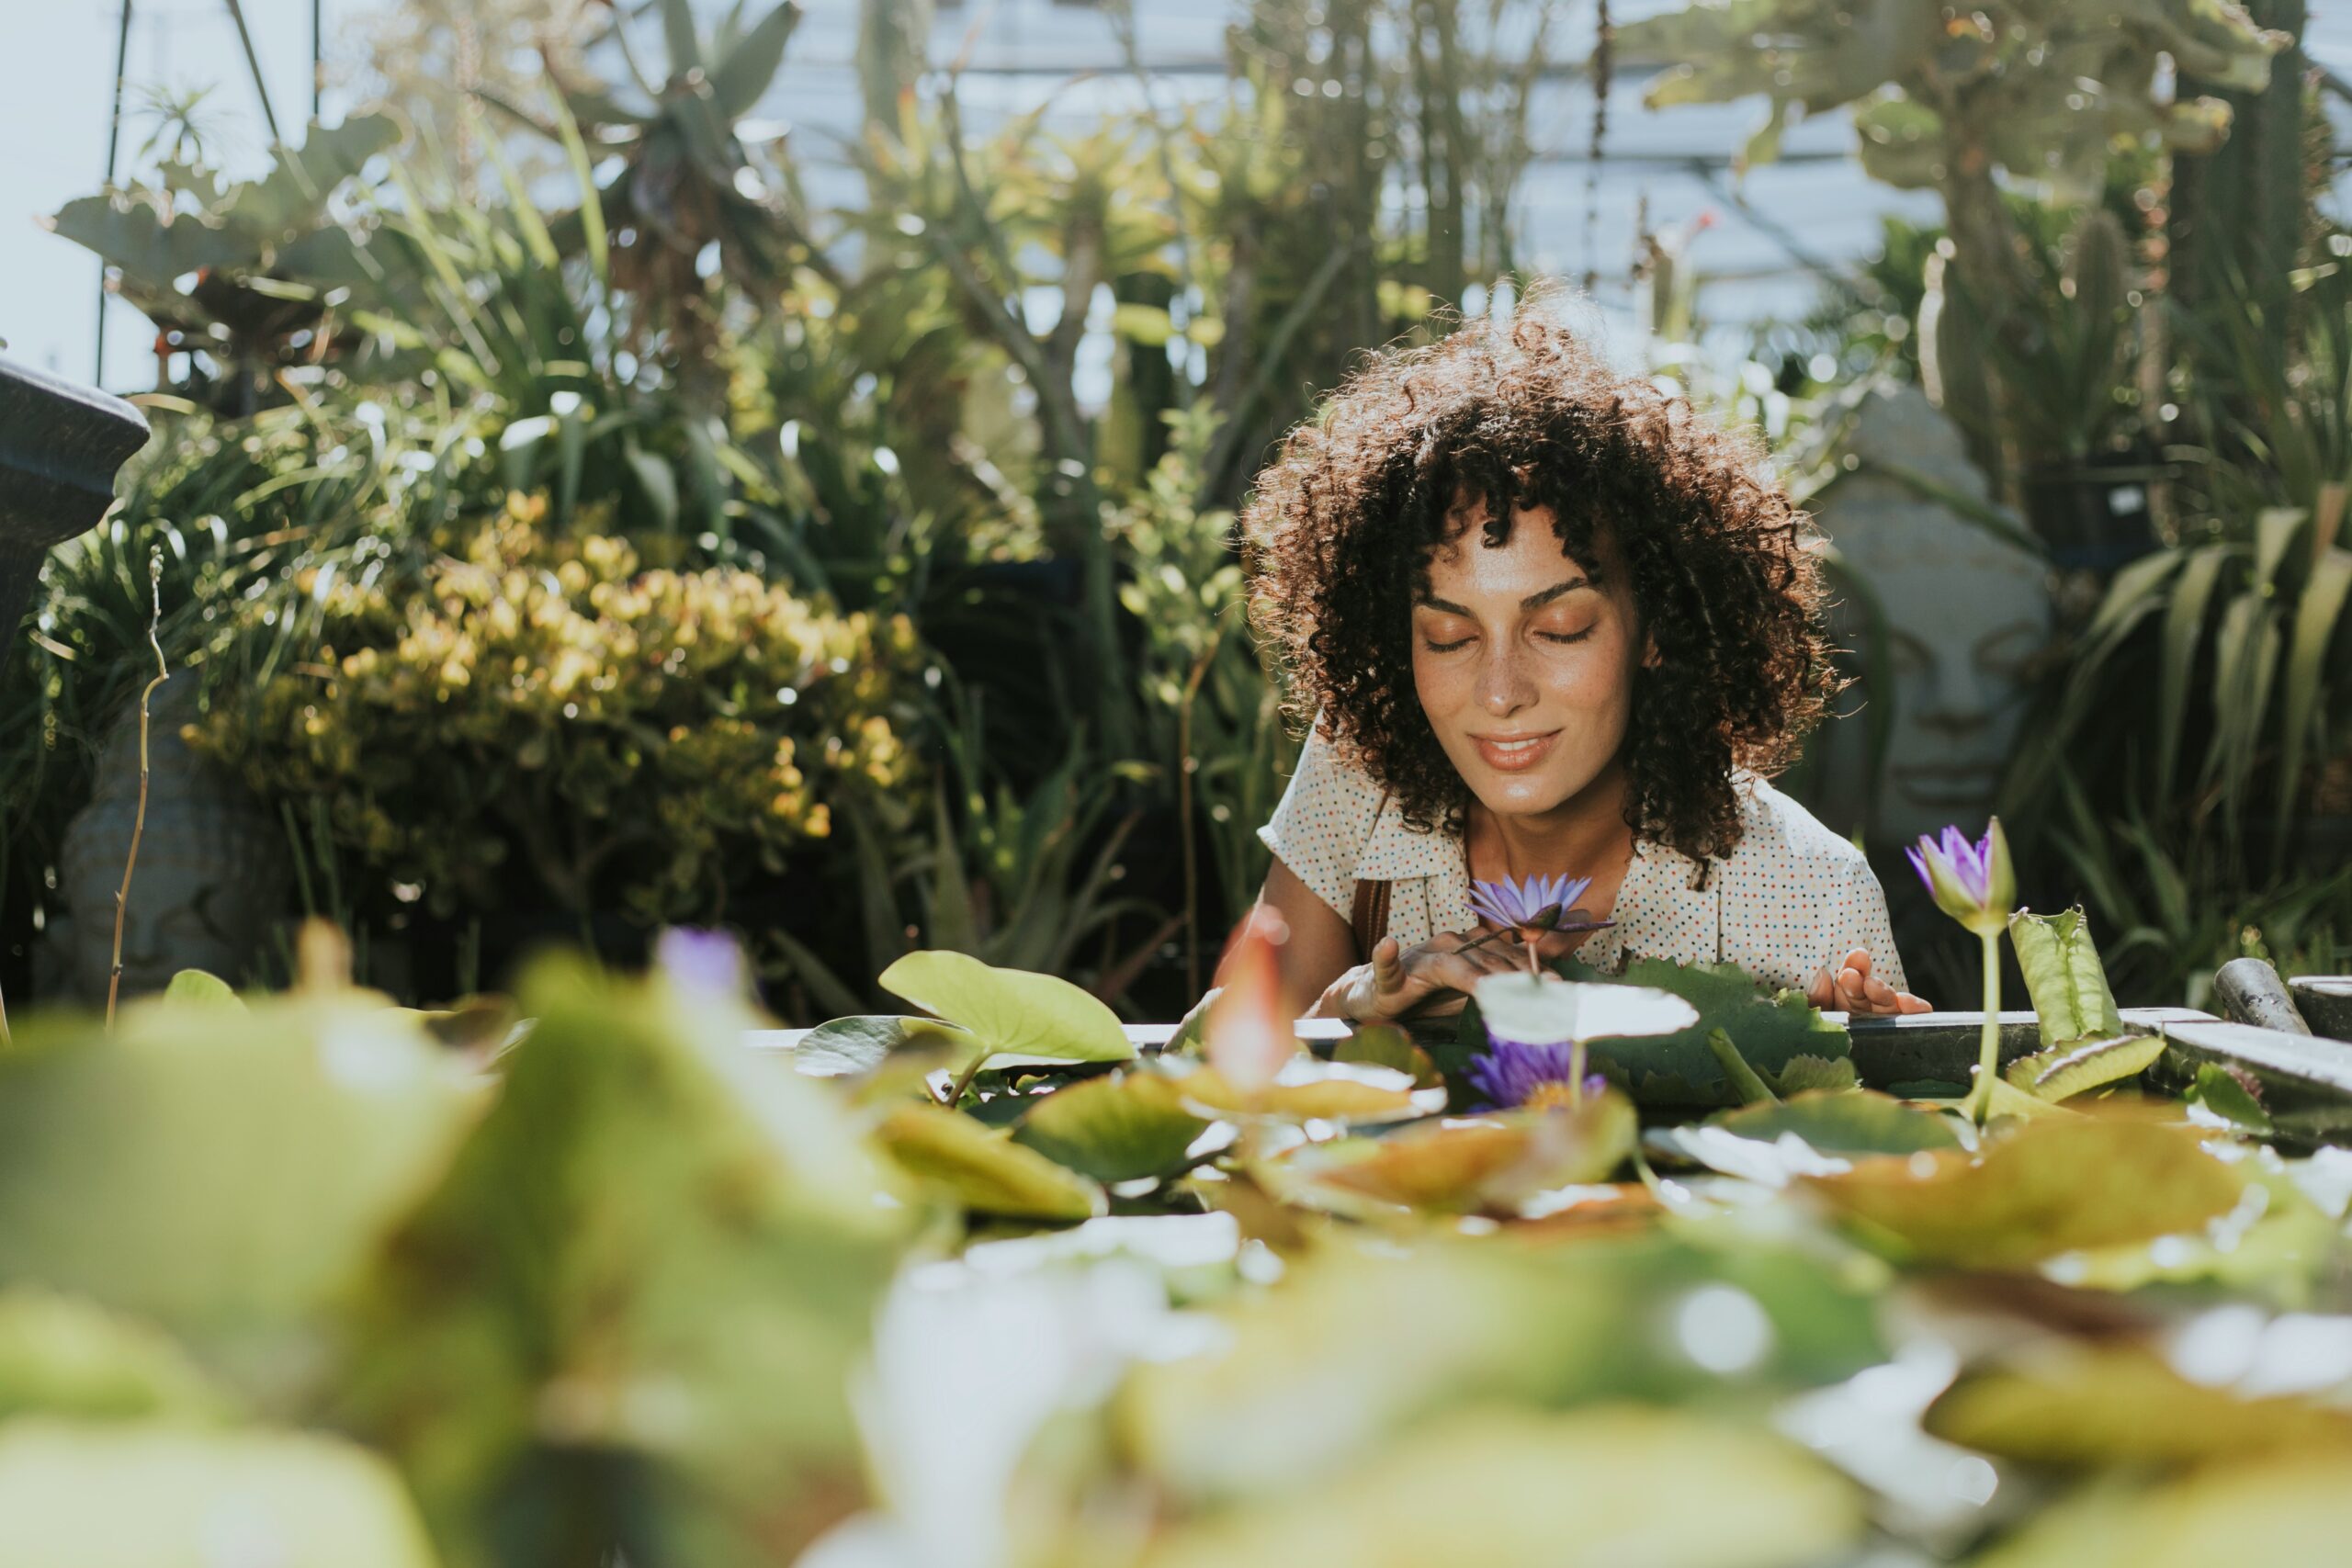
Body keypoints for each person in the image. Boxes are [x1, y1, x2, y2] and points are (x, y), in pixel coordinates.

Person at [1225, 290, 1929, 1024]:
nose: (1500, 693)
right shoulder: (1358, 774)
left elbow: (1923, 1098)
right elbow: (1216, 1060)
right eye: (1450, 637)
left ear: (1657, 626)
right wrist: (1350, 1004)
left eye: (1559, 628)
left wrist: (1852, 1064)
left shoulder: (1812, 895)